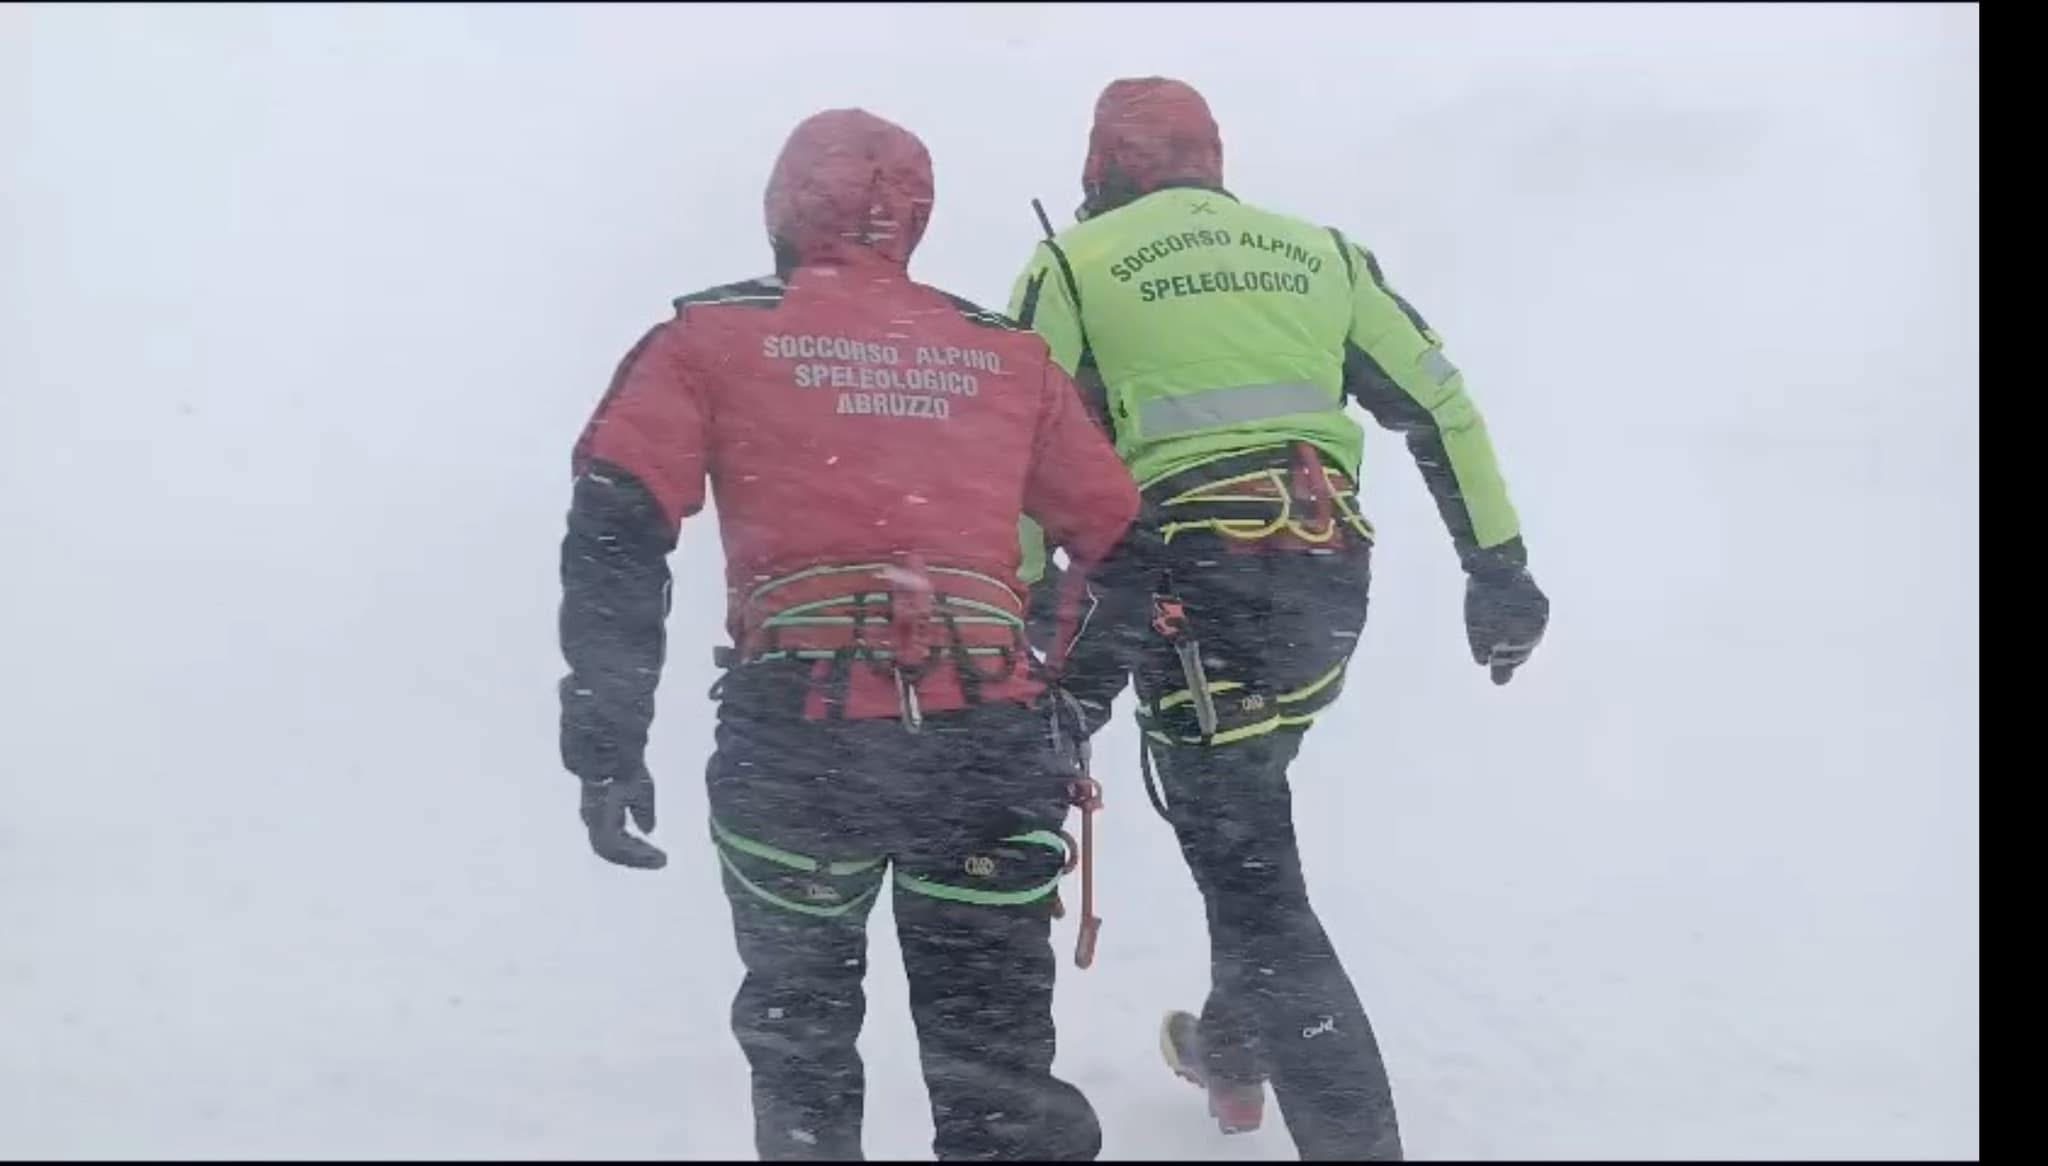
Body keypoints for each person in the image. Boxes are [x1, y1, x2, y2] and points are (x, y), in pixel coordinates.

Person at [557, 107, 1137, 1162]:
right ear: (913, 219)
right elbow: (1124, 548)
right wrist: (1064, 694)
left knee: (803, 1047)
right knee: (995, 1071)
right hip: (984, 747)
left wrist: (604, 735)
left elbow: (615, 523)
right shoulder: (1003, 357)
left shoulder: (707, 336)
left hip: (800, 748)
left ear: (783, 207)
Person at [1007, 78, 1551, 1160]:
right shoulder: (1321, 254)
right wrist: (1498, 570)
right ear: (1212, 162)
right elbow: (1438, 404)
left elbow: (1018, 441)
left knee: (1256, 879)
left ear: (1098, 173)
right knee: (1244, 820)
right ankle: (1233, 1052)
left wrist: (1027, 617)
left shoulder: (1070, 264)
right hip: (1320, 590)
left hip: (1178, 596)